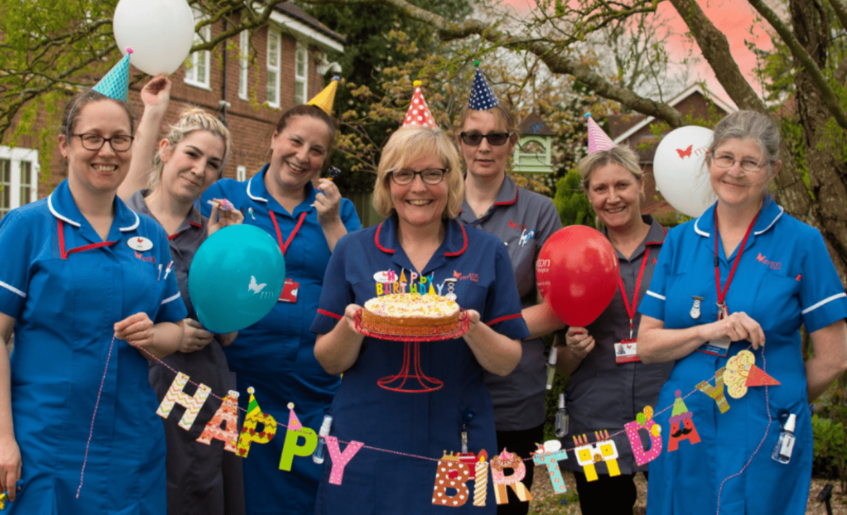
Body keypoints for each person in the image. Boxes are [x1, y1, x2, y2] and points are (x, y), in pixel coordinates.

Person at [311, 125, 529, 514]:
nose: (419, 187)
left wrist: (472, 328)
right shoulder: (352, 250)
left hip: (456, 438)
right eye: (404, 174)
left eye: (433, 174)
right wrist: (351, 325)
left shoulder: (487, 252)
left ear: (451, 179)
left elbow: (507, 361)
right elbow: (329, 361)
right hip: (366, 439)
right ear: (387, 182)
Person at [638, 110, 847, 514]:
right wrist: (708, 330)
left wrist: (782, 400)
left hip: (764, 425)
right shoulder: (680, 241)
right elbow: (647, 345)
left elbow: (835, 358)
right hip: (686, 419)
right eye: (726, 158)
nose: (735, 171)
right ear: (709, 160)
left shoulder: (803, 243)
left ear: (773, 169)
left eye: (750, 162)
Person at [0, 72, 187, 513]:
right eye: (92, 138)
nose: (107, 151)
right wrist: (3, 438)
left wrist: (154, 336)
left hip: (131, 447)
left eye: (120, 139)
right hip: (45, 444)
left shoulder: (149, 235)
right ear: (65, 144)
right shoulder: (27, 227)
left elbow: (177, 331)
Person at [198, 87, 362, 515]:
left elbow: (362, 285)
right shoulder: (226, 195)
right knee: (242, 495)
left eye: (316, 150)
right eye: (295, 141)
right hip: (241, 381)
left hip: (315, 385)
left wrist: (329, 225)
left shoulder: (338, 211)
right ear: (273, 137)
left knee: (309, 496)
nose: (302, 156)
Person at [117, 75, 245, 515]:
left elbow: (226, 335)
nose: (200, 169)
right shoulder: (120, 223)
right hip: (133, 389)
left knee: (200, 496)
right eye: (192, 153)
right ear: (166, 150)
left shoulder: (216, 233)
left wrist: (217, 252)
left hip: (201, 394)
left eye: (213, 164)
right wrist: (170, 332)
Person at [455, 67, 564, 514]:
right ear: (457, 140)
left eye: (496, 137)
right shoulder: (433, 206)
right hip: (445, 386)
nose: (484, 146)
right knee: (449, 503)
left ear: (512, 142)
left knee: (506, 507)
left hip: (514, 391)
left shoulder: (540, 211)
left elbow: (556, 309)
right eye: (473, 136)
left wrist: (489, 332)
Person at [554, 137, 673, 515]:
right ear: (588, 195)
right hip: (596, 414)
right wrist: (571, 351)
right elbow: (558, 363)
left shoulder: (677, 249)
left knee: (676, 505)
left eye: (621, 185)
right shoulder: (573, 257)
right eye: (600, 188)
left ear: (641, 184)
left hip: (668, 409)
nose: (612, 197)